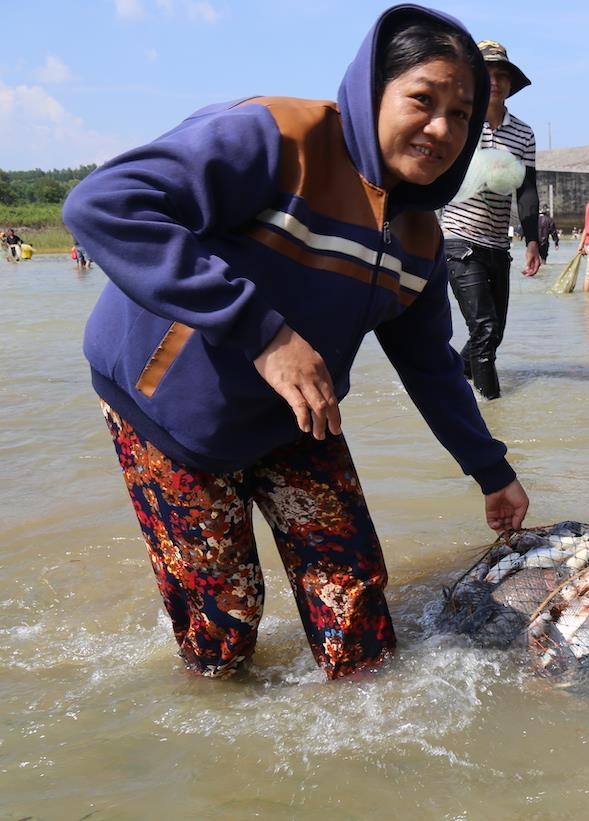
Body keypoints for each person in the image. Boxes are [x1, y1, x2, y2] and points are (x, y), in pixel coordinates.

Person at [61, 6, 530, 682]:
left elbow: (429, 364)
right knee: (225, 629)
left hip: (295, 413)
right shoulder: (278, 137)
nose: (441, 129)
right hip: (168, 409)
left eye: (461, 115)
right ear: (374, 90)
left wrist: (492, 470)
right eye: (423, 100)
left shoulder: (421, 236)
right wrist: (264, 331)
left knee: (357, 599)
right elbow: (105, 204)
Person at [440, 39, 541, 400]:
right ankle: (492, 413)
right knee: (484, 329)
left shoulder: (523, 133)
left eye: (502, 75)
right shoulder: (458, 122)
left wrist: (533, 241)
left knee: (493, 332)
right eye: (487, 74)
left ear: (511, 84)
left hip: (499, 243)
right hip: (458, 237)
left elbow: (527, 191)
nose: (495, 81)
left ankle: (444, 376)